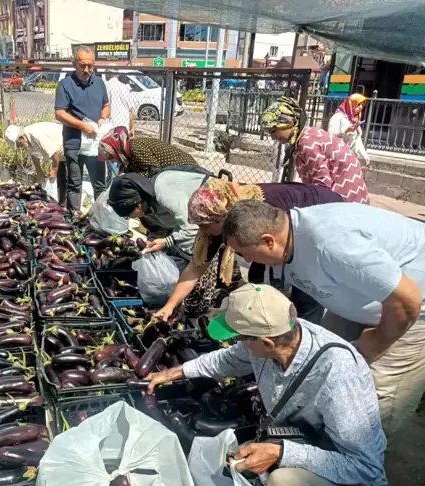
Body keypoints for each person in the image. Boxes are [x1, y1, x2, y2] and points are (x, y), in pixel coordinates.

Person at [222, 199, 425, 483]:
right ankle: (323, 460)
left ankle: (363, 473)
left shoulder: (332, 246)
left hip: (409, 313)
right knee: (320, 370)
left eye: (245, 253)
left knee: (371, 411)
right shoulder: (287, 241)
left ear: (268, 241)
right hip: (365, 301)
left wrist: (372, 345)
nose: (248, 261)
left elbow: (408, 301)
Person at [147, 284, 387, 486]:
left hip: (345, 468)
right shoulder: (282, 331)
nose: (236, 344)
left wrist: (281, 452)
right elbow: (227, 359)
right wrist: (173, 374)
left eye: (239, 338)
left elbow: (365, 467)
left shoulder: (337, 376)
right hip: (302, 438)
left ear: (266, 343)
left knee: (282, 480)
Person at [154, 179, 343, 322]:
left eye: (205, 226)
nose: (202, 231)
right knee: (261, 281)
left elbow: (278, 257)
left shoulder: (259, 215)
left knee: (306, 289)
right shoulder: (219, 220)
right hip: (283, 230)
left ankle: (302, 344)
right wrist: (169, 306)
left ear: (221, 218)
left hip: (322, 214)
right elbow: (196, 268)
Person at [261, 96, 369, 204]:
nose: (273, 137)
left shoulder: (307, 143)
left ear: (288, 122)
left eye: (273, 131)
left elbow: (322, 187)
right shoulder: (307, 136)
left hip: (346, 200)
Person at [107, 167, 208, 270]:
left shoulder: (163, 192)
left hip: (212, 206)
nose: (130, 218)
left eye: (128, 215)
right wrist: (153, 238)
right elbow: (164, 228)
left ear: (138, 205)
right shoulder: (149, 204)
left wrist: (166, 242)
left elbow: (192, 228)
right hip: (200, 217)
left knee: (186, 252)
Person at [54, 46, 110, 211]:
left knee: (99, 184)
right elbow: (59, 113)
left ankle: (100, 217)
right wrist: (82, 126)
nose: (86, 70)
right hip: (74, 143)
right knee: (74, 184)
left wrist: (102, 118)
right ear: (74, 64)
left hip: (95, 144)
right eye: (82, 65)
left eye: (90, 66)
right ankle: (74, 220)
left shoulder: (99, 83)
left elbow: (106, 106)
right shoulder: (65, 85)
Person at [5, 122, 67, 204]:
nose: (19, 147)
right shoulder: (27, 141)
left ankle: (69, 209)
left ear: (22, 138)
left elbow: (56, 152)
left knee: (67, 182)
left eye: (18, 144)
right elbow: (34, 155)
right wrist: (39, 171)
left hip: (70, 148)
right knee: (59, 184)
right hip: (60, 156)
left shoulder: (37, 135)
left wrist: (54, 169)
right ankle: (62, 204)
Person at [99, 127, 198, 177]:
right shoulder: (129, 153)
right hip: (174, 174)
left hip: (186, 171)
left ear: (117, 150)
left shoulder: (135, 148)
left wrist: (132, 178)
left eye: (111, 157)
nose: (112, 162)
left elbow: (154, 171)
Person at [327, 93, 371, 165]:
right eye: (358, 104)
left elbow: (357, 140)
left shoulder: (354, 120)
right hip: (336, 156)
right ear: (351, 104)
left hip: (348, 157)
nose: (360, 107)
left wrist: (364, 155)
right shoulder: (338, 117)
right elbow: (330, 136)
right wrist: (346, 132)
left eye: (362, 105)